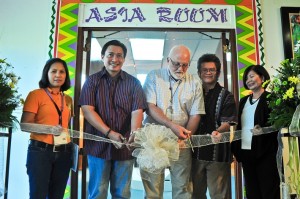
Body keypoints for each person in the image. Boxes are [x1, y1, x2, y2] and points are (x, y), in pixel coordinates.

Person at [78, 40, 147, 199]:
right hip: (97, 147)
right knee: (98, 193)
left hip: (124, 147)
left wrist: (134, 133)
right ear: (103, 56)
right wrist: (109, 133)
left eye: (119, 56)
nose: (114, 59)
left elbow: (137, 111)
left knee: (122, 194)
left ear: (124, 59)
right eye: (110, 55)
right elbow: (87, 110)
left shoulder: (134, 83)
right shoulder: (92, 81)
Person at [141, 45, 205, 199]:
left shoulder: (195, 82)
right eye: (176, 63)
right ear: (168, 60)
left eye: (185, 65)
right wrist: (172, 126)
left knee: (182, 188)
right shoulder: (153, 76)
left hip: (181, 143)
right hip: (154, 141)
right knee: (152, 191)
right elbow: (150, 106)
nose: (180, 68)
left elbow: (195, 114)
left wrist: (184, 137)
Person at [21, 58, 73, 199]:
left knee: (57, 196)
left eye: (62, 72)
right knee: (38, 195)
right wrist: (48, 130)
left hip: (64, 152)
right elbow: (24, 125)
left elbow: (67, 126)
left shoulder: (68, 99)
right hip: (40, 152)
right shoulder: (35, 95)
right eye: (54, 71)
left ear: (66, 76)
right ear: (47, 74)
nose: (58, 75)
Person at [191, 54, 237, 199]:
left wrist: (217, 132)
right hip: (195, 153)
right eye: (205, 70)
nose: (208, 73)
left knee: (219, 195)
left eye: (212, 70)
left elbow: (227, 123)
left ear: (218, 73)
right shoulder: (192, 94)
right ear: (199, 73)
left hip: (217, 153)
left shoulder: (226, 96)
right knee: (196, 194)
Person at [231, 65, 280, 199]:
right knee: (252, 193)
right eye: (246, 78)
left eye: (252, 76)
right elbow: (239, 126)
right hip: (246, 152)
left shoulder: (271, 99)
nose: (249, 80)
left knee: (269, 190)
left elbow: (277, 125)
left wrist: (262, 129)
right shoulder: (243, 101)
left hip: (265, 153)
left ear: (262, 77)